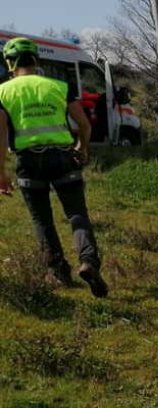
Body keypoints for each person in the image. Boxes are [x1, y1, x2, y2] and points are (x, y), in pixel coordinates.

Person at [0, 37, 108, 298]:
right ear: (36, 60)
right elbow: (84, 124)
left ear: (9, 63)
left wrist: (0, 172)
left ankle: (58, 271)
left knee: (42, 219)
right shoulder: (59, 86)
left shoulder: (2, 92)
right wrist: (82, 148)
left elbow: (1, 136)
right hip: (62, 157)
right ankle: (89, 262)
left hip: (28, 162)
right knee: (76, 213)